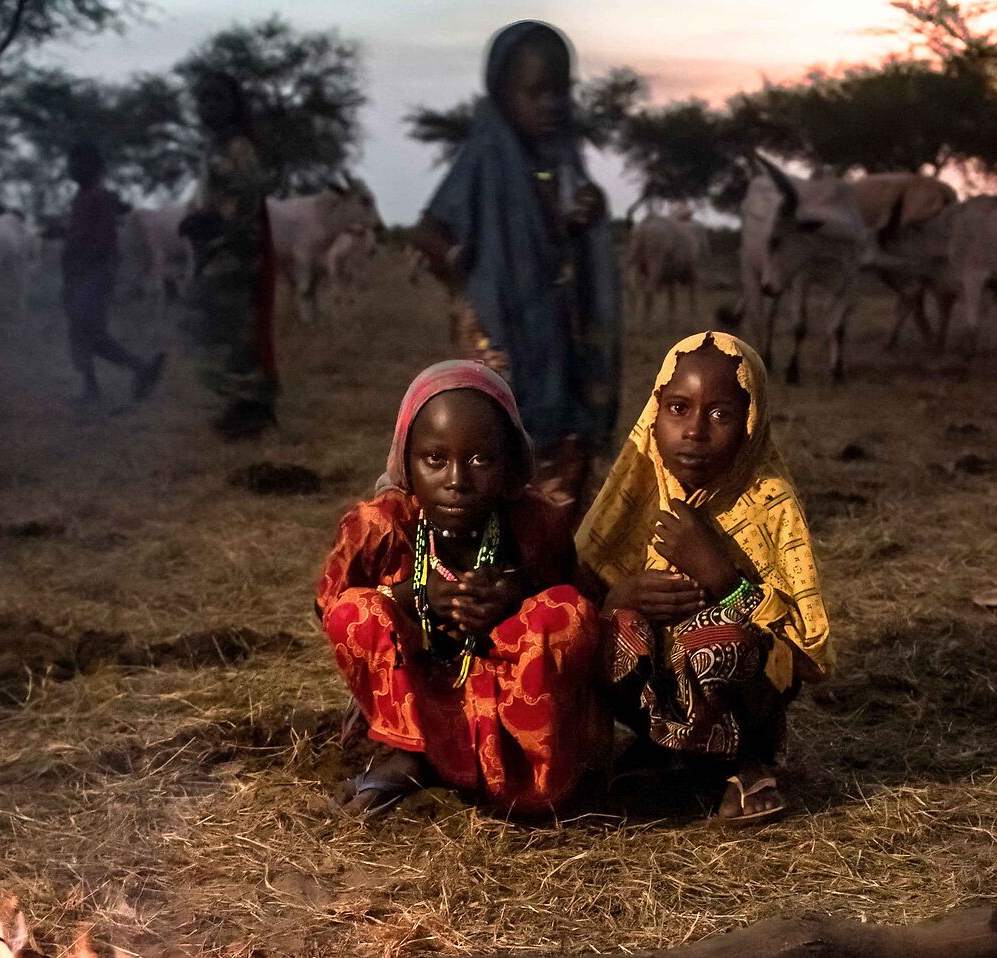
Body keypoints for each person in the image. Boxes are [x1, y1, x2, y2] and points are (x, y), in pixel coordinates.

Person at [319, 359, 604, 816]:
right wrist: (414, 598)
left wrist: (515, 601)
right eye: (435, 460)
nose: (456, 480)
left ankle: (519, 778)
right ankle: (409, 757)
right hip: (418, 699)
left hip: (505, 707)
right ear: (406, 462)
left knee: (566, 614)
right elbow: (333, 606)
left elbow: (580, 602)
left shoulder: (533, 523)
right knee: (357, 612)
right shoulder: (383, 526)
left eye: (480, 460)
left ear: (509, 463)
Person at [576, 332, 831, 825]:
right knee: (602, 630)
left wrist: (723, 578)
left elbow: (808, 652)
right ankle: (662, 751)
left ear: (751, 424)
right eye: (677, 408)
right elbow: (577, 592)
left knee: (715, 638)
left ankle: (741, 764)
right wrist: (621, 595)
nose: (694, 430)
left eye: (720, 415)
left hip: (744, 704)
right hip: (658, 688)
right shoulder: (640, 484)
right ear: (654, 415)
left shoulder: (770, 501)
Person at [410, 21, 620, 507]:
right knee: (505, 443)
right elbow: (429, 234)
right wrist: (473, 290)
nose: (550, 105)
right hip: (504, 333)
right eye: (534, 92)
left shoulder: (559, 160)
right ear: (502, 94)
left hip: (558, 337)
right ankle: (504, 564)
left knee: (563, 448)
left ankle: (555, 562)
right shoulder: (486, 158)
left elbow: (546, 244)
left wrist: (579, 220)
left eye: (560, 92)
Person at [179, 70, 278, 441]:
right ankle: (245, 401)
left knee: (226, 327)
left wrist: (211, 222)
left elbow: (247, 200)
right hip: (218, 249)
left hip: (236, 252)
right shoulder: (216, 147)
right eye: (202, 99)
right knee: (222, 327)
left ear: (234, 104)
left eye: (217, 98)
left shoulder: (238, 148)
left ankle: (253, 403)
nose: (208, 106)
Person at [61, 140, 163, 404]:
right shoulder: (82, 198)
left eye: (79, 162)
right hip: (80, 274)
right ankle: (92, 389)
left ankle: (139, 368)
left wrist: (80, 264)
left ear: (94, 167)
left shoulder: (98, 197)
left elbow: (103, 243)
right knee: (79, 332)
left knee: (88, 331)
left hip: (93, 273)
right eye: (71, 162)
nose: (73, 168)